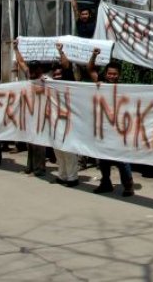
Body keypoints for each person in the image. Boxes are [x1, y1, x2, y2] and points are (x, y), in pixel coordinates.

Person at [87, 48, 135, 197]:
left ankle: (128, 186)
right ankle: (106, 183)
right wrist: (94, 55)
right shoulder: (101, 85)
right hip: (104, 129)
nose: (112, 76)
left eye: (114, 74)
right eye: (109, 73)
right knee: (103, 158)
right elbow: (90, 68)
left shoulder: (123, 89)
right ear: (106, 74)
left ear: (119, 75)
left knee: (122, 159)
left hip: (119, 129)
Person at [13, 39, 48, 176]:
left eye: (34, 69)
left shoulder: (45, 80)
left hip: (40, 115)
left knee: (39, 143)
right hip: (29, 114)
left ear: (39, 70)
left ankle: (40, 169)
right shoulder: (29, 75)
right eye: (31, 69)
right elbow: (21, 62)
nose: (32, 71)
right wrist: (16, 49)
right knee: (30, 142)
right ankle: (30, 167)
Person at [47, 43, 80, 188]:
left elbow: (66, 65)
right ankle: (62, 175)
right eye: (55, 73)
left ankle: (72, 177)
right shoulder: (50, 81)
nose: (57, 75)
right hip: (55, 119)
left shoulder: (68, 79)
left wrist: (61, 52)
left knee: (68, 149)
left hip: (68, 119)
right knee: (57, 148)